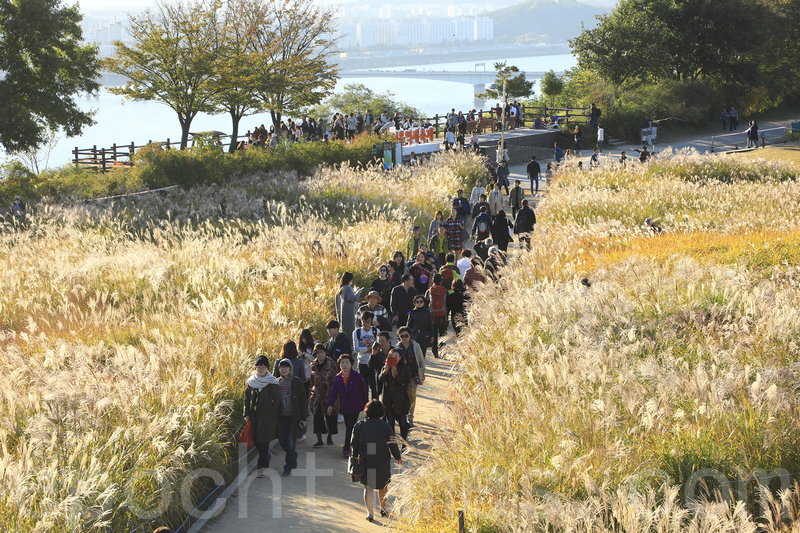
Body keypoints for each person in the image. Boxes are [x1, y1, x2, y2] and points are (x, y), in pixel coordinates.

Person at [351, 399, 403, 522]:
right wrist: (398, 457)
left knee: (368, 487)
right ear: (381, 412)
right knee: (383, 486)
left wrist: (355, 455)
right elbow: (392, 443)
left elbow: (354, 443)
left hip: (367, 458)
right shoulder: (385, 426)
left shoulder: (360, 425)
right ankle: (383, 508)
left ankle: (370, 513)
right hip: (382, 459)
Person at [245, 355, 280, 478]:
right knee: (257, 441)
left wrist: (272, 413)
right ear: (255, 367)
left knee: (264, 442)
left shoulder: (272, 382)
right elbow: (247, 399)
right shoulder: (251, 382)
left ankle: (262, 466)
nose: (261, 368)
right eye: (259, 366)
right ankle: (266, 457)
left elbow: (277, 401)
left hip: (267, 417)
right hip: (254, 416)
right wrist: (247, 414)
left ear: (268, 368)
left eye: (263, 366)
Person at [327, 354, 369, 457]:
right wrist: (330, 405)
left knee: (350, 427)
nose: (344, 365)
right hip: (344, 407)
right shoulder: (337, 378)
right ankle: (355, 446)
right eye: (342, 363)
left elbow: (364, 391)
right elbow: (333, 393)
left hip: (356, 405)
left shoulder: (357, 376)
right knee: (349, 427)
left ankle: (346, 449)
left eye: (347, 362)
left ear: (351, 364)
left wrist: (367, 405)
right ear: (339, 364)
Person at [276, 358, 308, 476]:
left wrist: (303, 418)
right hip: (281, 418)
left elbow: (303, 400)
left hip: (294, 418)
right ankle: (293, 454)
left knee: (290, 442)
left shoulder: (296, 382)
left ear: (290, 369)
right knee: (282, 441)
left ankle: (288, 466)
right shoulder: (277, 382)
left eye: (286, 367)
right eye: (281, 367)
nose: (283, 369)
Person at [309, 344, 340, 448]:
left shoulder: (332, 364)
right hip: (317, 395)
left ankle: (330, 436)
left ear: (325, 353)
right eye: (318, 352)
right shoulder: (312, 365)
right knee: (317, 417)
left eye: (322, 352)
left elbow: (336, 379)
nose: (320, 354)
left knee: (330, 416)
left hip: (329, 394)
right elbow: (311, 380)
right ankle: (319, 440)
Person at [379, 349, 411, 443]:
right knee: (390, 422)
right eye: (392, 356)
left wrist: (396, 374)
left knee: (402, 423)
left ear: (400, 357)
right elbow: (380, 378)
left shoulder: (403, 367)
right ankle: (392, 444)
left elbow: (403, 381)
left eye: (396, 356)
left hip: (400, 399)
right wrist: (384, 372)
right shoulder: (386, 367)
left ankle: (404, 443)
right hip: (388, 399)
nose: (394, 358)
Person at [395, 326, 425, 427]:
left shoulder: (416, 346)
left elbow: (421, 361)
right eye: (401, 336)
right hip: (402, 376)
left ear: (410, 336)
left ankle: (410, 416)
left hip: (413, 376)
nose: (404, 338)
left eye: (406, 335)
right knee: (403, 396)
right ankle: (403, 415)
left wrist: (422, 373)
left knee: (412, 396)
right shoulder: (397, 348)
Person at [353, 311, 380, 399]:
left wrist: (364, 348)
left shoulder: (376, 331)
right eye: (364, 321)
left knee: (374, 386)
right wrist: (370, 348)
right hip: (362, 362)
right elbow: (356, 349)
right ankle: (365, 407)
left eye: (368, 321)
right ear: (361, 320)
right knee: (363, 387)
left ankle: (375, 406)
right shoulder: (356, 332)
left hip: (374, 362)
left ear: (371, 321)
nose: (366, 324)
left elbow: (378, 348)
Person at [425, 273, 448, 356]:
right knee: (442, 334)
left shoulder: (429, 291)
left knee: (433, 334)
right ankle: (442, 351)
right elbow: (447, 303)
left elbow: (425, 302)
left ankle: (435, 351)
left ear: (432, 281)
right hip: (443, 316)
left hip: (432, 316)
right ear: (441, 281)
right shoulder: (445, 291)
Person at [406, 295, 434, 359]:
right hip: (414, 335)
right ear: (414, 303)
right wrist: (407, 335)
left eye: (421, 301)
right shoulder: (412, 312)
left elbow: (430, 324)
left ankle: (421, 366)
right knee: (414, 352)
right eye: (417, 302)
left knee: (423, 352)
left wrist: (432, 335)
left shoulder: (427, 312)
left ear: (424, 302)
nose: (419, 303)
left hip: (425, 335)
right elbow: (408, 325)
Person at [335, 272, 361, 339]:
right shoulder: (347, 288)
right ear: (349, 280)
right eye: (351, 279)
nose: (351, 281)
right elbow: (352, 299)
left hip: (341, 314)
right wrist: (358, 293)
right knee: (350, 330)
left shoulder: (340, 289)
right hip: (348, 313)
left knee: (343, 330)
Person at [298, 329, 316, 397]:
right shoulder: (300, 346)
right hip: (304, 371)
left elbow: (316, 359)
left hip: (313, 371)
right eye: (302, 339)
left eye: (305, 338)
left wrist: (306, 355)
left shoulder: (315, 345)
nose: (304, 340)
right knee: (304, 392)